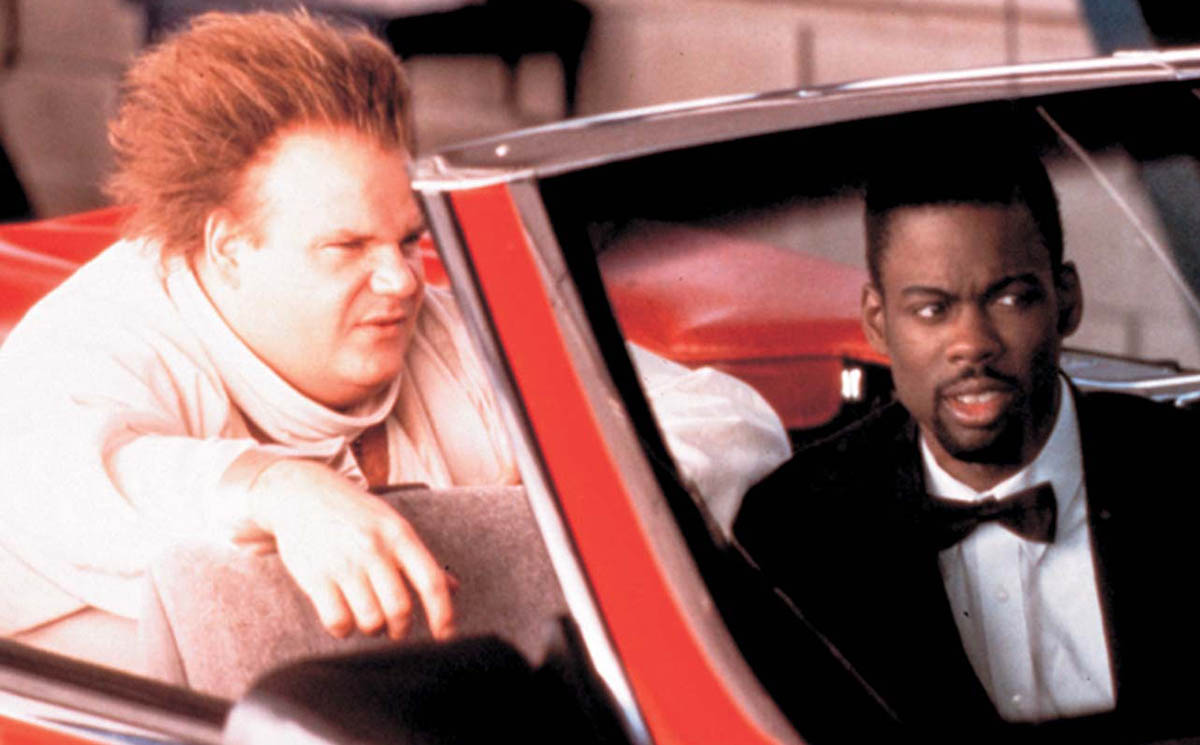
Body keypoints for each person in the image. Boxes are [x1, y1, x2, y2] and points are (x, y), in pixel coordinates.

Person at [0, 10, 788, 673]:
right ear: (228, 246)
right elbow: (55, 468)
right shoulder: (93, 345)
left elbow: (730, 419)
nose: (402, 281)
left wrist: (556, 499)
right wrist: (278, 490)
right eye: (346, 247)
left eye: (408, 239)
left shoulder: (441, 331)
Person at [733, 146, 1200, 742]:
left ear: (1067, 300)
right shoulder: (790, 536)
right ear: (878, 322)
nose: (972, 343)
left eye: (1009, 298)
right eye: (932, 309)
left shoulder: (1189, 470)